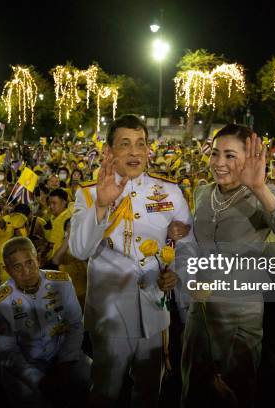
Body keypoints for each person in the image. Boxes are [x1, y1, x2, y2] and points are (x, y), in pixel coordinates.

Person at [69, 114, 194, 406]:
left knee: (149, 391)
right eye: (125, 144)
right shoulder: (88, 193)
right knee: (105, 391)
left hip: (154, 310)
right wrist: (101, 205)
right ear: (110, 152)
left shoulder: (170, 192)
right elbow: (78, 249)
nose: (135, 151)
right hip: (110, 315)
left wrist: (176, 275)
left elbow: (187, 246)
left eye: (141, 143)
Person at [180, 124, 275, 407]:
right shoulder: (202, 193)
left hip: (240, 312)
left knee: (235, 392)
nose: (220, 163)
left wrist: (258, 187)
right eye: (216, 154)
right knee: (194, 389)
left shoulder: (262, 193)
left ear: (248, 159)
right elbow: (193, 247)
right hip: (201, 310)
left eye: (230, 156)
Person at [0, 237, 91, 406]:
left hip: (62, 352)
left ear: (38, 260)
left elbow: (75, 324)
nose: (26, 272)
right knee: (30, 398)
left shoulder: (62, 282)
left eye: (29, 263)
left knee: (91, 379)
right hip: (25, 364)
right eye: (17, 267)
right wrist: (38, 380)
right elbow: (7, 351)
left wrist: (64, 363)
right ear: (7, 270)